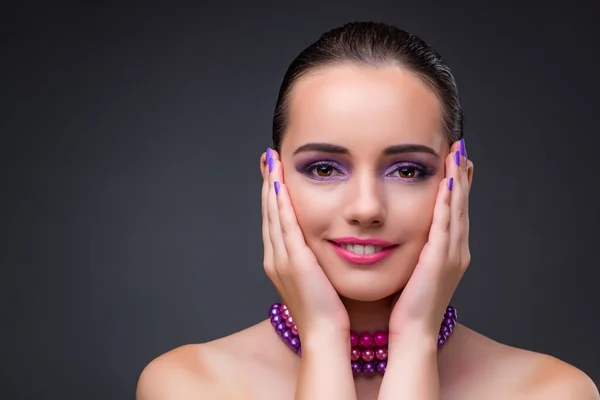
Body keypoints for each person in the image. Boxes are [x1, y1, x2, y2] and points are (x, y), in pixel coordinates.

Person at [136, 22, 599, 399]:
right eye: (322, 168)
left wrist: (415, 340)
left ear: (458, 183)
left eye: (406, 171)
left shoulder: (552, 392)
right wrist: (322, 340)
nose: (366, 209)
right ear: (271, 179)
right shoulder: (188, 385)